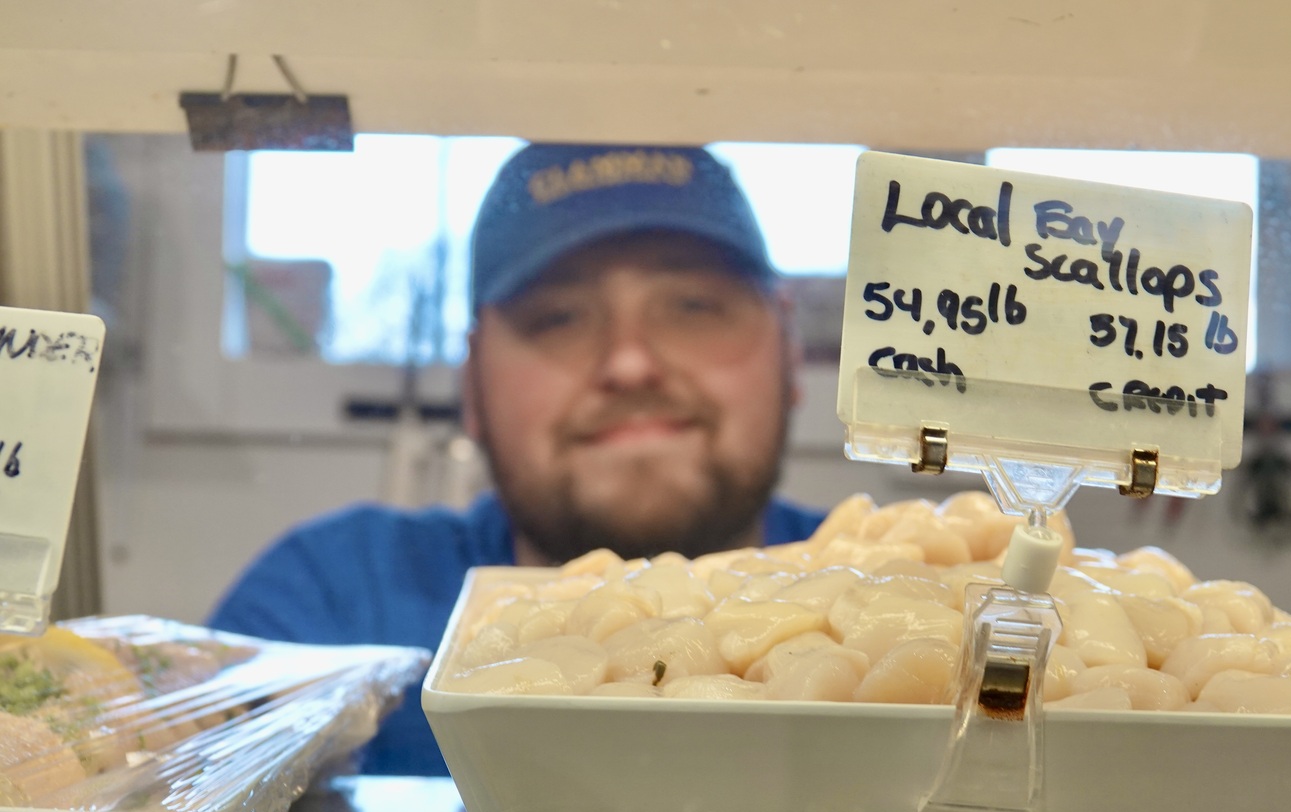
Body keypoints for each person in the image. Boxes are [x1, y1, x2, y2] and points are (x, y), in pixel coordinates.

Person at [207, 143, 826, 775]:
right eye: (557, 318)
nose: (630, 362)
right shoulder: (330, 605)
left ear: (790, 349)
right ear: (473, 383)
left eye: (694, 307)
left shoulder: (891, 589)